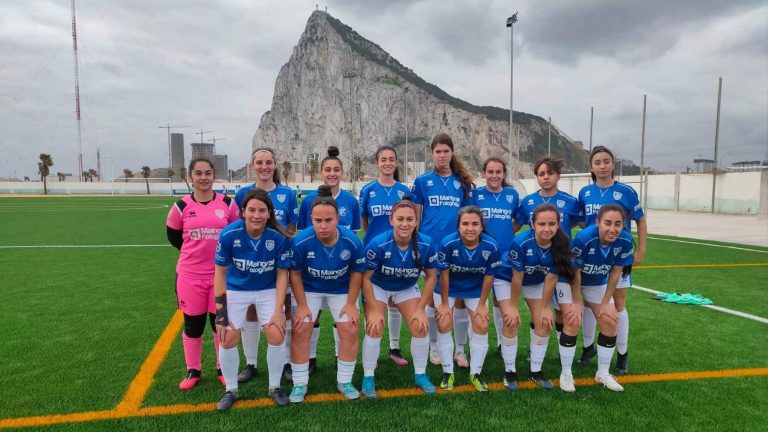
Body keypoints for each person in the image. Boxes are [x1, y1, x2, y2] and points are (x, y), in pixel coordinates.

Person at [213, 189, 292, 410]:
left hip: (267, 290)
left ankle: (274, 387)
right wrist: (221, 313)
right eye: (252, 210)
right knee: (227, 336)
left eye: (262, 211)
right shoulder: (229, 234)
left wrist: (278, 310)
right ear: (242, 212)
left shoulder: (277, 238)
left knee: (276, 333)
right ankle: (231, 389)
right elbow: (219, 273)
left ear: (269, 214)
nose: (256, 215)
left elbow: (281, 275)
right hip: (237, 289)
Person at [166, 158, 240, 391]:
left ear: (214, 175)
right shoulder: (181, 206)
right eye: (198, 173)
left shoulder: (227, 204)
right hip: (190, 276)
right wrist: (195, 254)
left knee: (219, 323)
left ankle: (222, 368)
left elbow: (236, 234)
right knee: (193, 325)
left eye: (207, 173)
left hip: (220, 277)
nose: (203, 177)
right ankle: (193, 369)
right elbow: (174, 237)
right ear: (191, 176)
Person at [287, 185, 366, 402]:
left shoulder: (351, 240)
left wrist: (351, 304)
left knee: (350, 328)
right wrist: (302, 305)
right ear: (310, 219)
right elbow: (294, 274)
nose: (323, 226)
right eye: (318, 221)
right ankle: (300, 383)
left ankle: (345, 380)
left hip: (340, 289)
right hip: (309, 288)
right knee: (301, 327)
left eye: (328, 220)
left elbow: (357, 273)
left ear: (337, 218)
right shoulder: (301, 241)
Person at [577, 146, 647, 375]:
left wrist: (641, 250)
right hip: (592, 256)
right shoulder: (585, 192)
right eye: (597, 162)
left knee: (618, 305)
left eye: (606, 161)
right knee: (589, 303)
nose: (602, 166)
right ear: (591, 167)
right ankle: (588, 348)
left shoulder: (626, 191)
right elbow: (582, 222)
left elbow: (640, 220)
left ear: (613, 164)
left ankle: (623, 354)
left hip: (618, 256)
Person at [360, 197, 439, 398]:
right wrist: (376, 310)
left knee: (420, 326)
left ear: (416, 222)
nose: (405, 224)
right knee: (375, 326)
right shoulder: (378, 244)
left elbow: (431, 277)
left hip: (406, 287)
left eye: (409, 219)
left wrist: (421, 309)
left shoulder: (426, 244)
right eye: (400, 219)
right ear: (391, 220)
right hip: (378, 286)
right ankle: (368, 376)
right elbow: (365, 279)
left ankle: (420, 374)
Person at [234, 147, 299, 384]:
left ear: (275, 165)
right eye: (259, 162)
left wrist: (278, 247)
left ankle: (288, 361)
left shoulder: (287, 194)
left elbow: (291, 228)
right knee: (251, 311)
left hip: (280, 261)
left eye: (268, 162)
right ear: (253, 166)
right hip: (252, 263)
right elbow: (238, 228)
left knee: (285, 311)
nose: (264, 166)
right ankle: (251, 363)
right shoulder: (243, 194)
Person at [297, 146, 362, 375]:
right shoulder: (308, 202)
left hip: (340, 270)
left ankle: (338, 355)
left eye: (336, 169)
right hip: (314, 269)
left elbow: (355, 234)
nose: (332, 173)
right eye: (328, 169)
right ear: (321, 172)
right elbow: (304, 237)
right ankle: (311, 358)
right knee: (312, 317)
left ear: (342, 172)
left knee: (340, 318)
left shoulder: (351, 202)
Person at [411, 132, 474, 366]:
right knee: (431, 300)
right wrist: (417, 244)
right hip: (429, 247)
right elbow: (416, 216)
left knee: (457, 300)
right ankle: (434, 347)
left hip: (455, 247)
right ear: (432, 153)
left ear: (452, 153)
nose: (442, 155)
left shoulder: (462, 183)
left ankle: (459, 350)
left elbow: (468, 218)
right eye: (438, 151)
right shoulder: (422, 181)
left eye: (446, 151)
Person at [496, 204, 574, 390]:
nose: (546, 228)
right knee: (511, 320)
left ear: (558, 225)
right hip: (507, 278)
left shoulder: (560, 244)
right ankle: (509, 371)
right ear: (532, 224)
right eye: (541, 224)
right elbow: (517, 277)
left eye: (551, 224)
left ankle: (535, 371)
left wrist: (546, 307)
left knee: (545, 321)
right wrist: (513, 306)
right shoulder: (521, 242)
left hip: (536, 280)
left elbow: (551, 278)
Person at [515, 158, 583, 358]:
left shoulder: (571, 202)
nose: (545, 177)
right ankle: (534, 349)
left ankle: (564, 351)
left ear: (558, 176)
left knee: (563, 311)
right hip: (537, 265)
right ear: (536, 177)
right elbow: (517, 226)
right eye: (541, 174)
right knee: (539, 311)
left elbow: (583, 226)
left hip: (561, 263)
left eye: (550, 173)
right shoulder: (527, 202)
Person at [434, 206, 501, 392]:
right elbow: (445, 276)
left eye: (474, 224)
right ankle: (448, 371)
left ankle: (476, 373)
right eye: (465, 224)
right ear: (458, 226)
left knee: (481, 323)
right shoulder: (447, 244)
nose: (470, 228)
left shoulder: (491, 246)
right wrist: (446, 305)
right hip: (448, 289)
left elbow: (489, 277)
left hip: (475, 290)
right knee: (444, 322)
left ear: (481, 226)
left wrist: (481, 305)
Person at [571, 203, 634, 392]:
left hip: (596, 282)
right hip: (571, 279)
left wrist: (606, 303)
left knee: (609, 319)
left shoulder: (626, 240)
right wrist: (576, 302)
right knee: (571, 318)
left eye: (618, 224)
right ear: (598, 222)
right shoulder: (583, 238)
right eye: (608, 223)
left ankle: (603, 373)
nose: (613, 229)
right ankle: (566, 371)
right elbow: (575, 273)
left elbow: (615, 272)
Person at [359, 146, 412, 367]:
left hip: (399, 251)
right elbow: (363, 220)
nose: (388, 163)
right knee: (373, 302)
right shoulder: (368, 189)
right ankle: (372, 347)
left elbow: (409, 219)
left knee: (394, 301)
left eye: (391, 159)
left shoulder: (403, 190)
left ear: (396, 162)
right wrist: (372, 239)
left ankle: (394, 347)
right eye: (383, 159)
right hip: (374, 251)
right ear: (377, 162)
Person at [470, 157, 521, 356]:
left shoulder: (512, 195)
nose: (494, 176)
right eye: (490, 172)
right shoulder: (476, 195)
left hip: (505, 256)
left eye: (498, 172)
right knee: (475, 299)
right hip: (480, 254)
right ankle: (473, 344)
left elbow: (517, 221)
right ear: (484, 173)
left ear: (504, 174)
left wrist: (507, 233)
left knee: (500, 301)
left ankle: (501, 342)